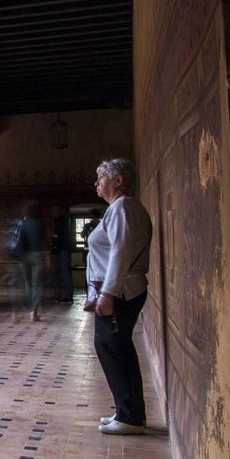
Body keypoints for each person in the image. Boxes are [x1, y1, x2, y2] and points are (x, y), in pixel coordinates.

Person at [87, 158, 153, 435]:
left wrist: (108, 294)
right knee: (117, 348)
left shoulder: (123, 207)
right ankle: (127, 411)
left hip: (121, 292)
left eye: (101, 177)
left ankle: (129, 417)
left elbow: (120, 253)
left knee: (112, 348)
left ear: (118, 180)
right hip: (123, 290)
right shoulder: (121, 208)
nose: (96, 183)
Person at [14, 200, 47, 321]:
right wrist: (48, 259)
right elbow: (45, 243)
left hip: (24, 256)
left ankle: (31, 308)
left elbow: (18, 240)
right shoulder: (40, 224)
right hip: (38, 255)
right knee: (37, 284)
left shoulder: (22, 224)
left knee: (28, 284)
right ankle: (34, 311)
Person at [50, 207, 74, 303]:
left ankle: (67, 296)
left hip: (62, 250)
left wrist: (53, 238)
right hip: (61, 250)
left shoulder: (61, 222)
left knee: (64, 273)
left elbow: (60, 237)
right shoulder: (61, 222)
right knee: (60, 273)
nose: (52, 213)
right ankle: (61, 295)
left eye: (54, 211)